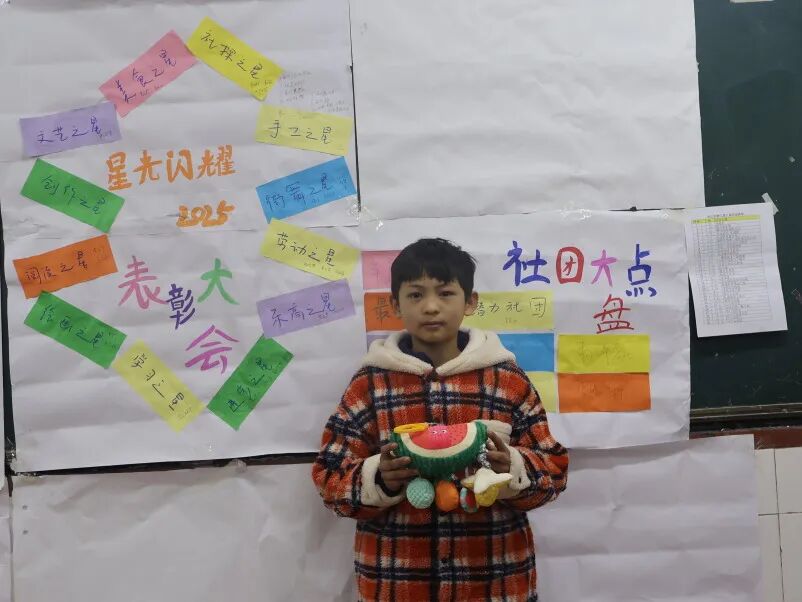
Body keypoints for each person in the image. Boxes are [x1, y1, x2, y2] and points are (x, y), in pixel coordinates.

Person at [312, 238, 569, 601]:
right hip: (398, 583)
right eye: (415, 295)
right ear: (395, 304)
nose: (431, 307)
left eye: (446, 293)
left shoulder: (507, 381)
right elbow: (329, 479)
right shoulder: (369, 386)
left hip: (496, 580)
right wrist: (379, 478)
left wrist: (512, 467)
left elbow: (554, 472)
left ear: (470, 301)